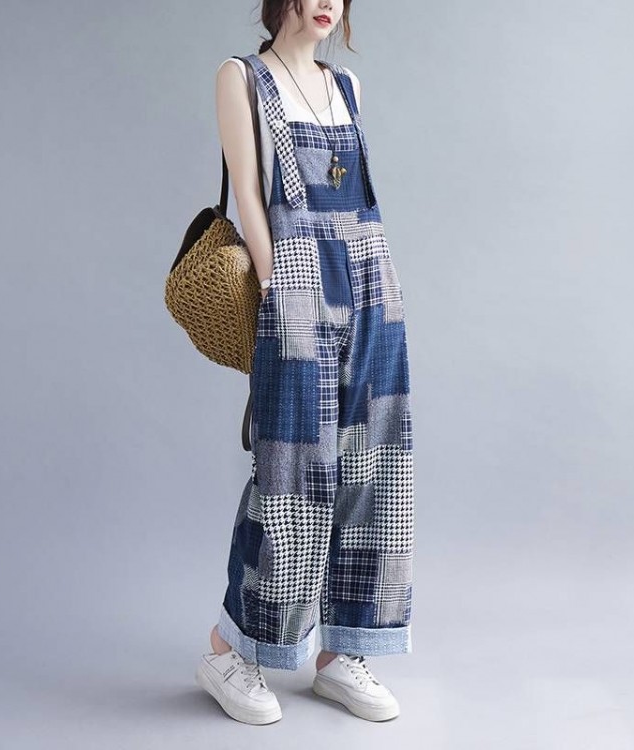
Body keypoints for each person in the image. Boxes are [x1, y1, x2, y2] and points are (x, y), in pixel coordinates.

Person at [195, 0, 415, 725]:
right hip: (293, 283)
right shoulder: (242, 77)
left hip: (373, 284)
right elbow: (248, 194)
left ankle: (342, 650)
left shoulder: (347, 87)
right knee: (290, 471)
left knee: (375, 464)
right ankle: (232, 650)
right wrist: (278, 282)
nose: (329, 3)